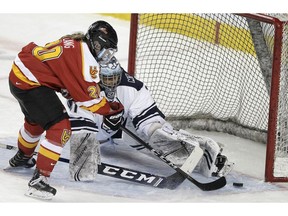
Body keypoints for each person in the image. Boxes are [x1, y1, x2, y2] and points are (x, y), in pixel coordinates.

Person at [67, 56, 234, 183]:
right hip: (97, 132)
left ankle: (194, 149)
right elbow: (86, 130)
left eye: (114, 78)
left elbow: (147, 118)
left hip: (123, 126)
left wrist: (157, 132)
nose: (111, 84)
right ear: (97, 78)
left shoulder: (132, 87)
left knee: (146, 134)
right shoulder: (82, 91)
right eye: (107, 79)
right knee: (90, 145)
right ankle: (188, 148)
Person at [7, 20, 124, 200]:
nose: (106, 55)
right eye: (105, 49)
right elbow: (90, 102)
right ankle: (39, 181)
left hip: (21, 74)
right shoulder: (87, 61)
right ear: (96, 43)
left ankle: (22, 156)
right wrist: (112, 110)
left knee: (35, 123)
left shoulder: (76, 42)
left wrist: (67, 87)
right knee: (60, 127)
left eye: (110, 52)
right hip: (30, 82)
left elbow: (59, 69)